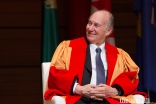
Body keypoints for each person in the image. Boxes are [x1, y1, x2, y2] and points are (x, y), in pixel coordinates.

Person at [44, 10, 147, 104]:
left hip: (108, 100)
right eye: (89, 23)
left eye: (96, 25)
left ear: (108, 31)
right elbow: (56, 73)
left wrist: (114, 90)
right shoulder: (67, 48)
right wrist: (78, 89)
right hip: (80, 99)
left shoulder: (119, 55)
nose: (90, 28)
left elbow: (131, 77)